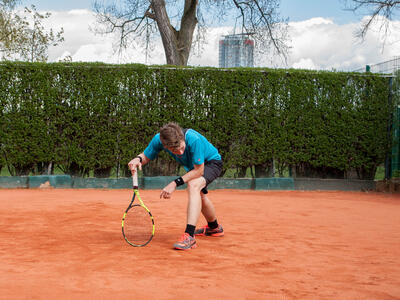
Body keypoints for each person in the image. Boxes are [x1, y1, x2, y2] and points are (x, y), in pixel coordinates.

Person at [128, 122, 224, 250]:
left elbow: (199, 171)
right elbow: (146, 155)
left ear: (182, 138)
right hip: (195, 167)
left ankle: (189, 236)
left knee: (193, 185)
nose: (179, 152)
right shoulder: (159, 139)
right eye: (174, 151)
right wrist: (138, 159)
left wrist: (174, 183)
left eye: (182, 148)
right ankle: (214, 228)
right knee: (199, 196)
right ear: (165, 146)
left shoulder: (193, 139)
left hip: (211, 163)